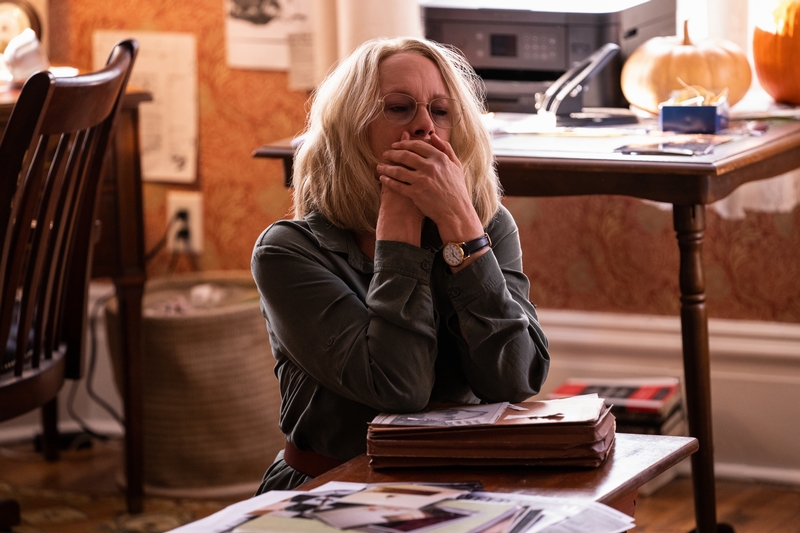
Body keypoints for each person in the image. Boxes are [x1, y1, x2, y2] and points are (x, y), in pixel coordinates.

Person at [251, 36, 550, 493]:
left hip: (464, 485)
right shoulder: (286, 251)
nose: (425, 126)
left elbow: (517, 378)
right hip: (330, 487)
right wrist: (399, 237)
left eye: (441, 111)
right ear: (351, 130)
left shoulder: (486, 226)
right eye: (398, 108)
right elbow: (399, 389)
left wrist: (463, 230)